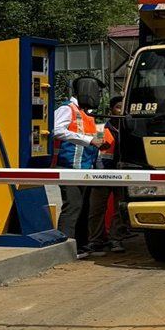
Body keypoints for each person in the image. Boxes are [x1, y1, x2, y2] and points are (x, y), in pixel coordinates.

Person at [53, 77, 103, 258]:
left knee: (83, 208)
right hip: (69, 167)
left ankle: (81, 246)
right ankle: (64, 248)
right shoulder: (67, 109)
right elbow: (57, 130)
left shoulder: (85, 112)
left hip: (85, 168)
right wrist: (89, 140)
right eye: (96, 91)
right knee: (73, 206)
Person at [87, 96, 130, 255]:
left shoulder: (129, 130)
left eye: (123, 108)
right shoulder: (102, 130)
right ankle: (96, 240)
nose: (121, 111)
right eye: (118, 107)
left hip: (123, 175)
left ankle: (115, 238)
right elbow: (96, 151)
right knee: (97, 208)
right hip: (102, 174)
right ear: (111, 110)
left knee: (120, 208)